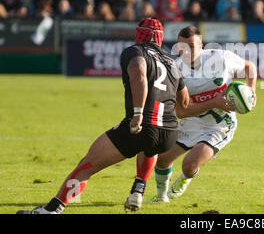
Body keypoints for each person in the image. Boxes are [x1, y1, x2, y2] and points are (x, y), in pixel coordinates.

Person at [17, 18, 189, 214]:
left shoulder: (135, 51)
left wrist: (139, 114)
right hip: (169, 134)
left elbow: (139, 74)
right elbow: (184, 103)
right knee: (149, 146)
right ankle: (138, 191)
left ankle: (52, 210)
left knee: (87, 165)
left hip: (142, 126)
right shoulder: (171, 62)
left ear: (138, 34)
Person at [123, 26, 257, 211]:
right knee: (161, 159)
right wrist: (213, 102)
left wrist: (252, 90)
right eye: (182, 47)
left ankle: (186, 178)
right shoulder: (175, 69)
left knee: (188, 165)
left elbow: (250, 66)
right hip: (192, 121)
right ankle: (162, 198)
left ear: (201, 46)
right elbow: (181, 112)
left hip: (220, 126)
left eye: (192, 46)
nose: (187, 51)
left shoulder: (221, 59)